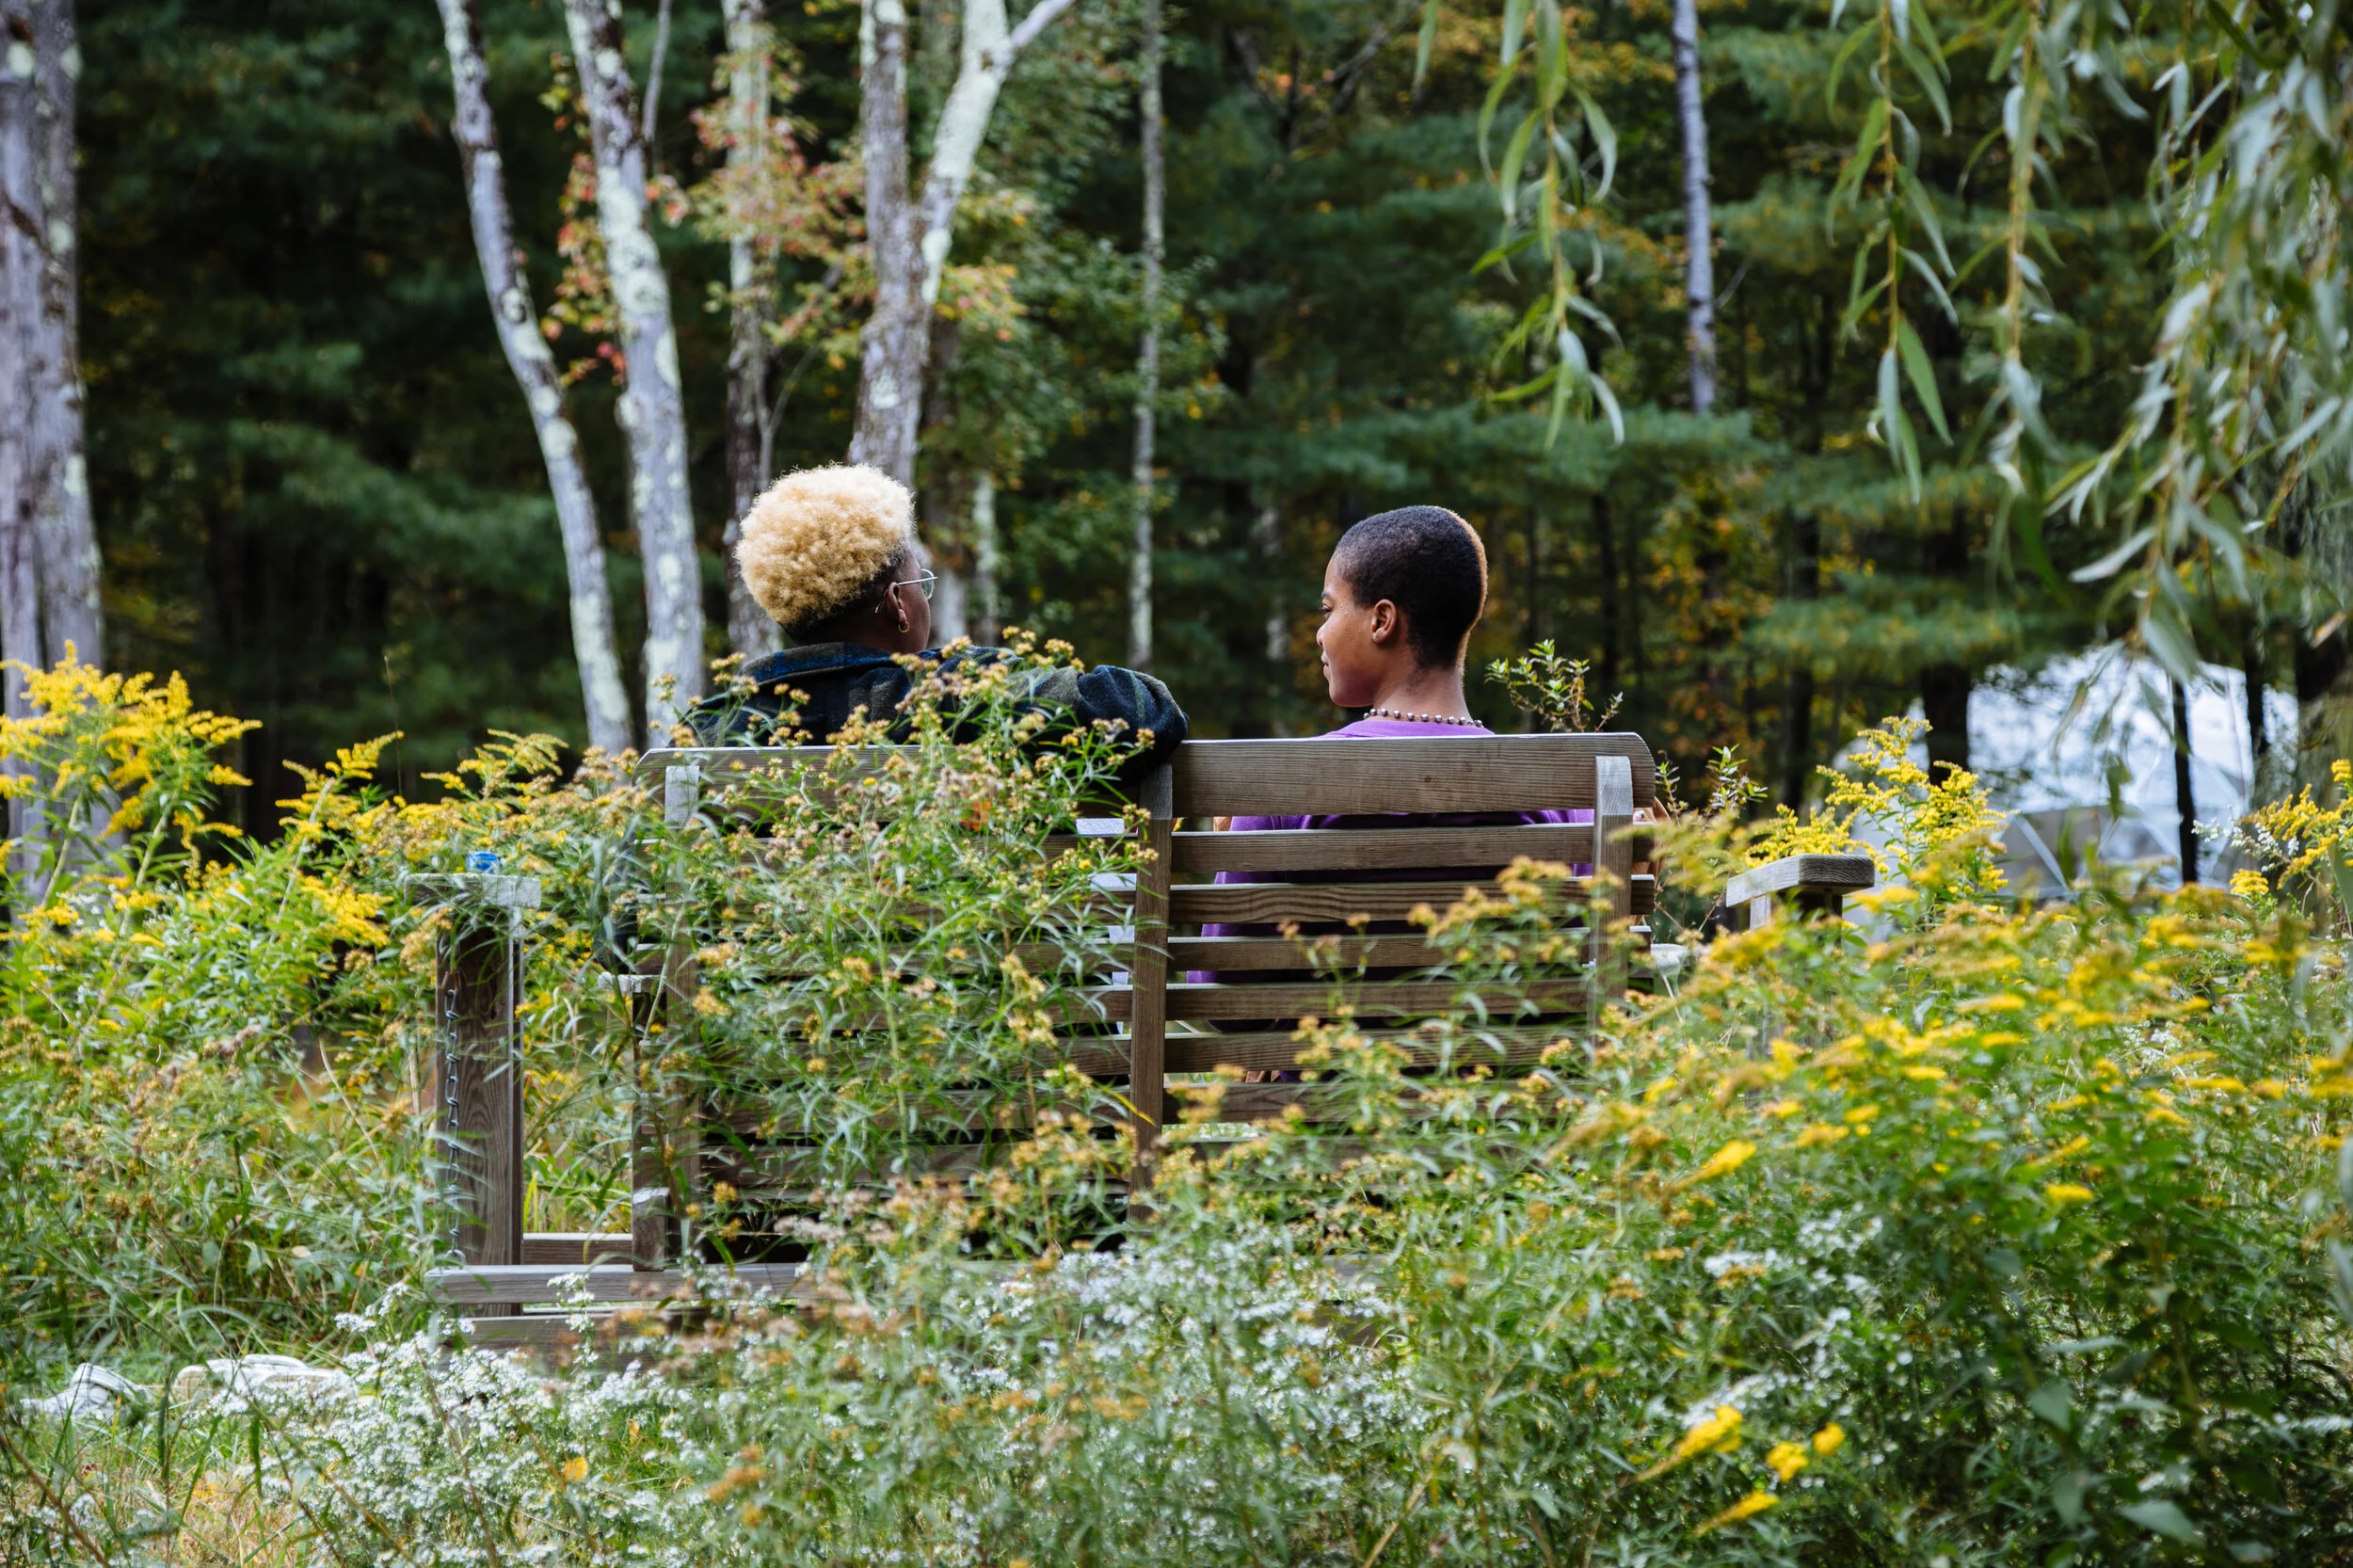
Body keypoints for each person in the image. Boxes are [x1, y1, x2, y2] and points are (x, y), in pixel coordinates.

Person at [1196, 505, 1592, 1071]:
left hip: (1325, 1132)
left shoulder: (1283, 787)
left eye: (1329, 609)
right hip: (1502, 1136)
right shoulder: (1563, 795)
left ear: (1383, 621)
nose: (1319, 632)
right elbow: (1582, 990)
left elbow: (1225, 1001)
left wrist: (1238, 849)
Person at [689, 464, 1185, 778]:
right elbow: (1143, 712)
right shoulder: (961, 699)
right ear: (898, 603)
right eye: (919, 581)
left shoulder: (708, 733)